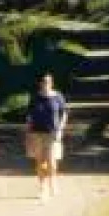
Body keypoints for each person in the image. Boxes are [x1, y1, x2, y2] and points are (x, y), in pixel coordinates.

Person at [25, 73, 69, 201]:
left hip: (52, 133)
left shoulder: (58, 97)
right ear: (40, 83)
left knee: (52, 162)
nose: (46, 84)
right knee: (40, 161)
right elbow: (29, 117)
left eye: (48, 81)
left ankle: (53, 182)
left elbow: (64, 114)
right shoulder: (35, 98)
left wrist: (61, 129)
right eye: (44, 81)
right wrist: (28, 133)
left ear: (52, 83)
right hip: (37, 133)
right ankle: (42, 188)